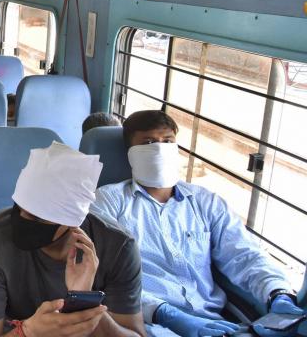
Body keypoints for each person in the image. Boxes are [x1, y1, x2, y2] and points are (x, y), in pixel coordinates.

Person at [91, 110, 304, 337]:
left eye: (167, 141)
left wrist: (276, 292)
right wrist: (165, 312)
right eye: (149, 142)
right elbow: (104, 277)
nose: (160, 148)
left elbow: (243, 254)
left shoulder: (206, 202)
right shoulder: (108, 202)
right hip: (149, 322)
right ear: (130, 152)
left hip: (215, 320)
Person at [0, 142, 145, 337]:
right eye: (19, 209)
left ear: (71, 222)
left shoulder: (118, 248)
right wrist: (27, 332)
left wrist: (85, 301)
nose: (23, 221)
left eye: (38, 217)